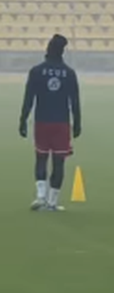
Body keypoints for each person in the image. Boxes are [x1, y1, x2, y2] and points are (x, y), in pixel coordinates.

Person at [19, 34, 81, 211]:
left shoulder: (37, 71)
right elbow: (74, 101)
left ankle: (40, 197)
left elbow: (29, 98)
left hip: (42, 121)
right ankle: (53, 202)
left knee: (41, 158)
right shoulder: (69, 73)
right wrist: (77, 123)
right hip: (61, 122)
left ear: (48, 49)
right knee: (59, 161)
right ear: (63, 51)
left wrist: (23, 120)